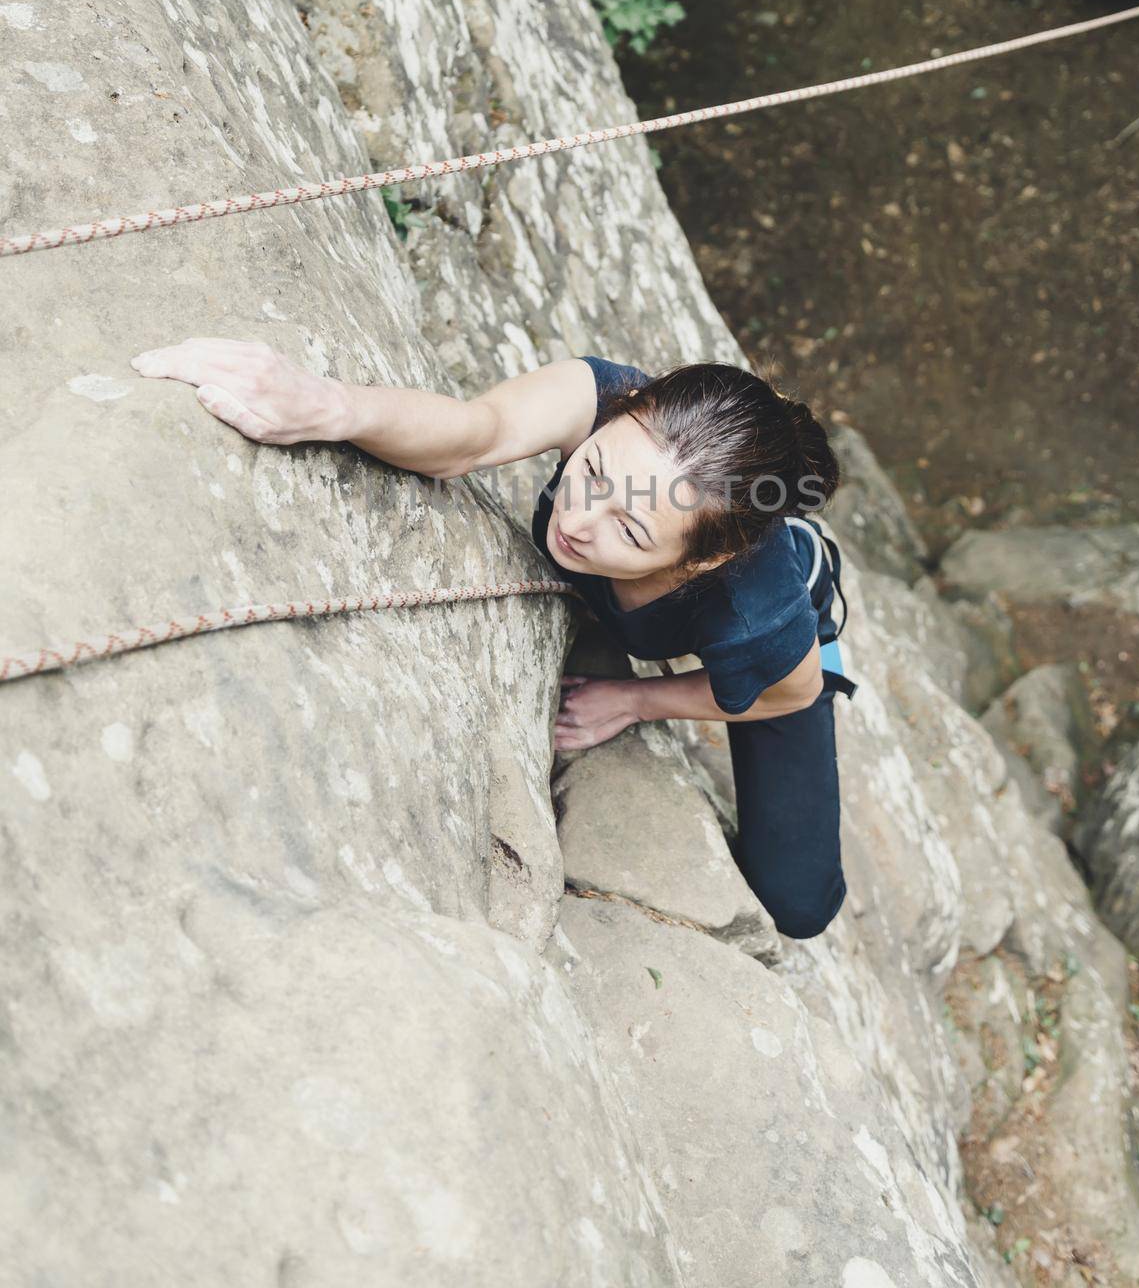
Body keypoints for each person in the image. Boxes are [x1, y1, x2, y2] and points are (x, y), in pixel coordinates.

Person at [129, 339, 856, 940]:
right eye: (594, 471)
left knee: (799, 903)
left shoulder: (754, 613)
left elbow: (788, 695)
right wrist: (329, 404)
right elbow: (472, 434)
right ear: (623, 411)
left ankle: (796, 541)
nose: (578, 520)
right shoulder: (601, 397)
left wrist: (637, 700)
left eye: (629, 530)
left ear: (700, 560)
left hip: (785, 632)